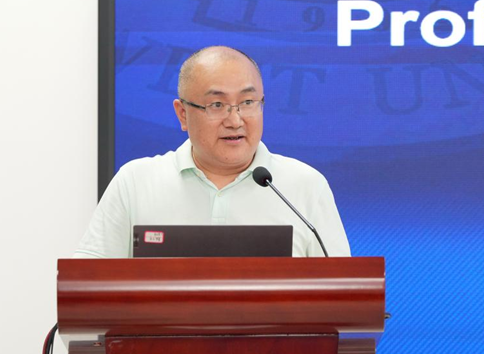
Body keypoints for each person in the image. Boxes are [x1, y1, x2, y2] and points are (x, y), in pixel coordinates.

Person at [74, 46, 350, 258]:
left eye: (248, 102)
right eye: (217, 105)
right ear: (183, 114)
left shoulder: (305, 186)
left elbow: (342, 298)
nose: (235, 120)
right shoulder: (135, 182)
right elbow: (88, 289)